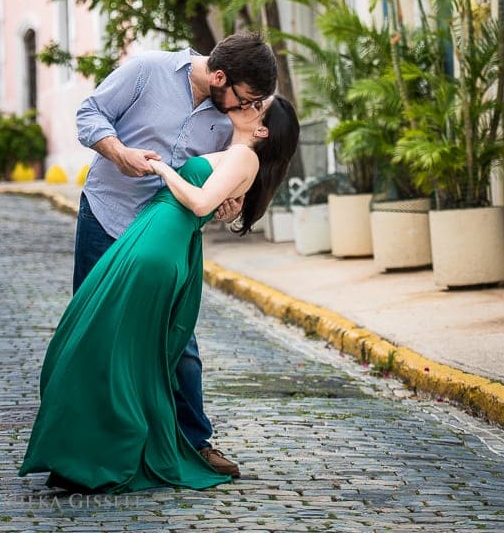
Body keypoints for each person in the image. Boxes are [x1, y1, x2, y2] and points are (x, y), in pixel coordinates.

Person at [19, 94, 300, 493]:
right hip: (156, 236)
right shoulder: (235, 152)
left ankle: (99, 456)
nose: (248, 102)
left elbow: (201, 200)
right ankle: (90, 454)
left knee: (106, 347)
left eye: (258, 105)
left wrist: (161, 169)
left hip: (160, 244)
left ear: (262, 130)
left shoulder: (245, 157)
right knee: (116, 349)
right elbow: (212, 200)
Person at [72, 32, 278, 477]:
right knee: (94, 328)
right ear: (220, 76)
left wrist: (232, 202)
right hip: (108, 216)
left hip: (169, 236)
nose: (248, 108)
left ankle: (193, 440)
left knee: (179, 339)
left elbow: (217, 179)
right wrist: (119, 151)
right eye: (246, 98)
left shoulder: (230, 119)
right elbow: (89, 113)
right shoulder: (148, 70)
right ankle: (84, 441)